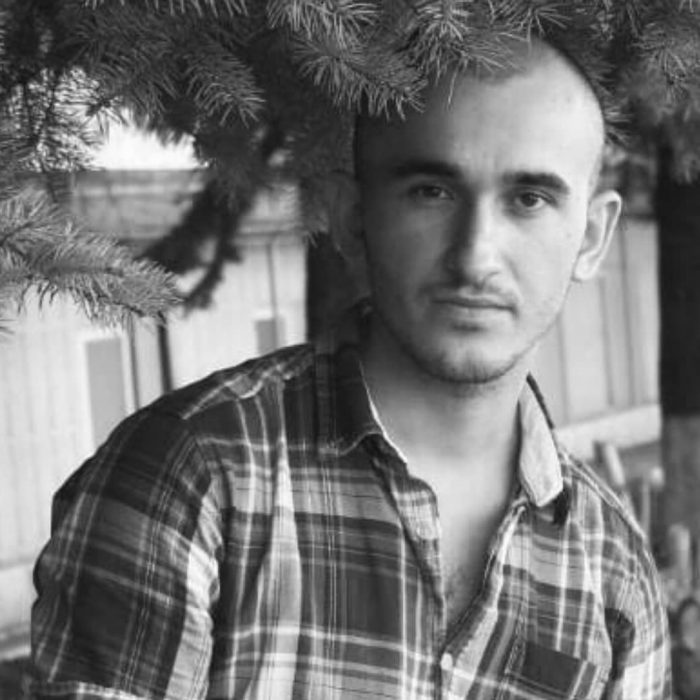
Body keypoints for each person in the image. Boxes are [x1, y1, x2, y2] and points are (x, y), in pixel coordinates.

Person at [30, 38, 671, 699]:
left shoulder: (612, 569)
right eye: (432, 191)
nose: (476, 256)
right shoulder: (192, 475)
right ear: (351, 218)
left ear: (592, 236)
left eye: (529, 199)